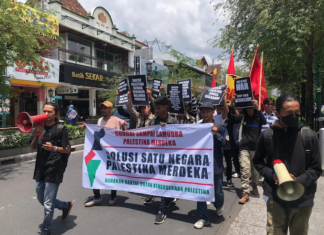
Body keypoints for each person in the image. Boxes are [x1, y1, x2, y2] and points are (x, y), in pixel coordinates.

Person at [253, 94, 322, 235]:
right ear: (277, 113)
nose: (294, 116)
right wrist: (272, 175)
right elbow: (258, 162)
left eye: (297, 112)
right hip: (275, 198)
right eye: (289, 113)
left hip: (303, 200)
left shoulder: (309, 136)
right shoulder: (267, 136)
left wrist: (298, 181)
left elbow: (315, 168)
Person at [29, 102, 74, 235]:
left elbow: (67, 149)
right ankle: (65, 206)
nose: (46, 114)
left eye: (49, 112)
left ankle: (46, 230)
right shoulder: (39, 127)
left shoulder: (60, 128)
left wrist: (54, 148)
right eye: (44, 111)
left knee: (48, 204)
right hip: (40, 167)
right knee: (41, 198)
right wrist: (36, 135)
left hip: (55, 167)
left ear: (56, 114)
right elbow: (32, 147)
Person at [83, 100, 128, 207]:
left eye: (105, 108)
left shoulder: (118, 121)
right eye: (102, 108)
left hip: (112, 152)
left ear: (110, 109)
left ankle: (113, 196)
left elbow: (125, 133)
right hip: (99, 151)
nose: (103, 110)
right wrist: (88, 128)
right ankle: (97, 196)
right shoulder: (99, 121)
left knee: (113, 173)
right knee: (92, 169)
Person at [194, 102, 228, 229]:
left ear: (213, 112)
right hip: (201, 166)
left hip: (215, 165)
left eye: (207, 111)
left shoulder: (219, 126)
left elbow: (226, 144)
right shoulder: (197, 126)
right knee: (201, 192)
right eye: (203, 112)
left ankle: (219, 205)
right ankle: (203, 218)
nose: (205, 114)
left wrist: (216, 135)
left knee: (218, 192)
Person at [227, 98, 267, 204]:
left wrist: (258, 108)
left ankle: (254, 186)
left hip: (256, 148)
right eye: (247, 108)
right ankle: (245, 193)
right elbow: (230, 117)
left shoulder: (258, 117)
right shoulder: (242, 118)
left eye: (251, 108)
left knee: (255, 171)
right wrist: (231, 105)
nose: (249, 110)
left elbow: (264, 121)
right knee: (244, 170)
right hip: (244, 147)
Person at [147, 96, 178, 224]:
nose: (157, 111)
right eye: (155, 108)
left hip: (169, 159)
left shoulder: (173, 122)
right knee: (159, 182)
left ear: (166, 107)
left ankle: (162, 210)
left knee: (165, 182)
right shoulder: (152, 122)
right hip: (156, 158)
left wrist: (168, 129)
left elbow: (179, 139)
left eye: (159, 108)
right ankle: (168, 198)